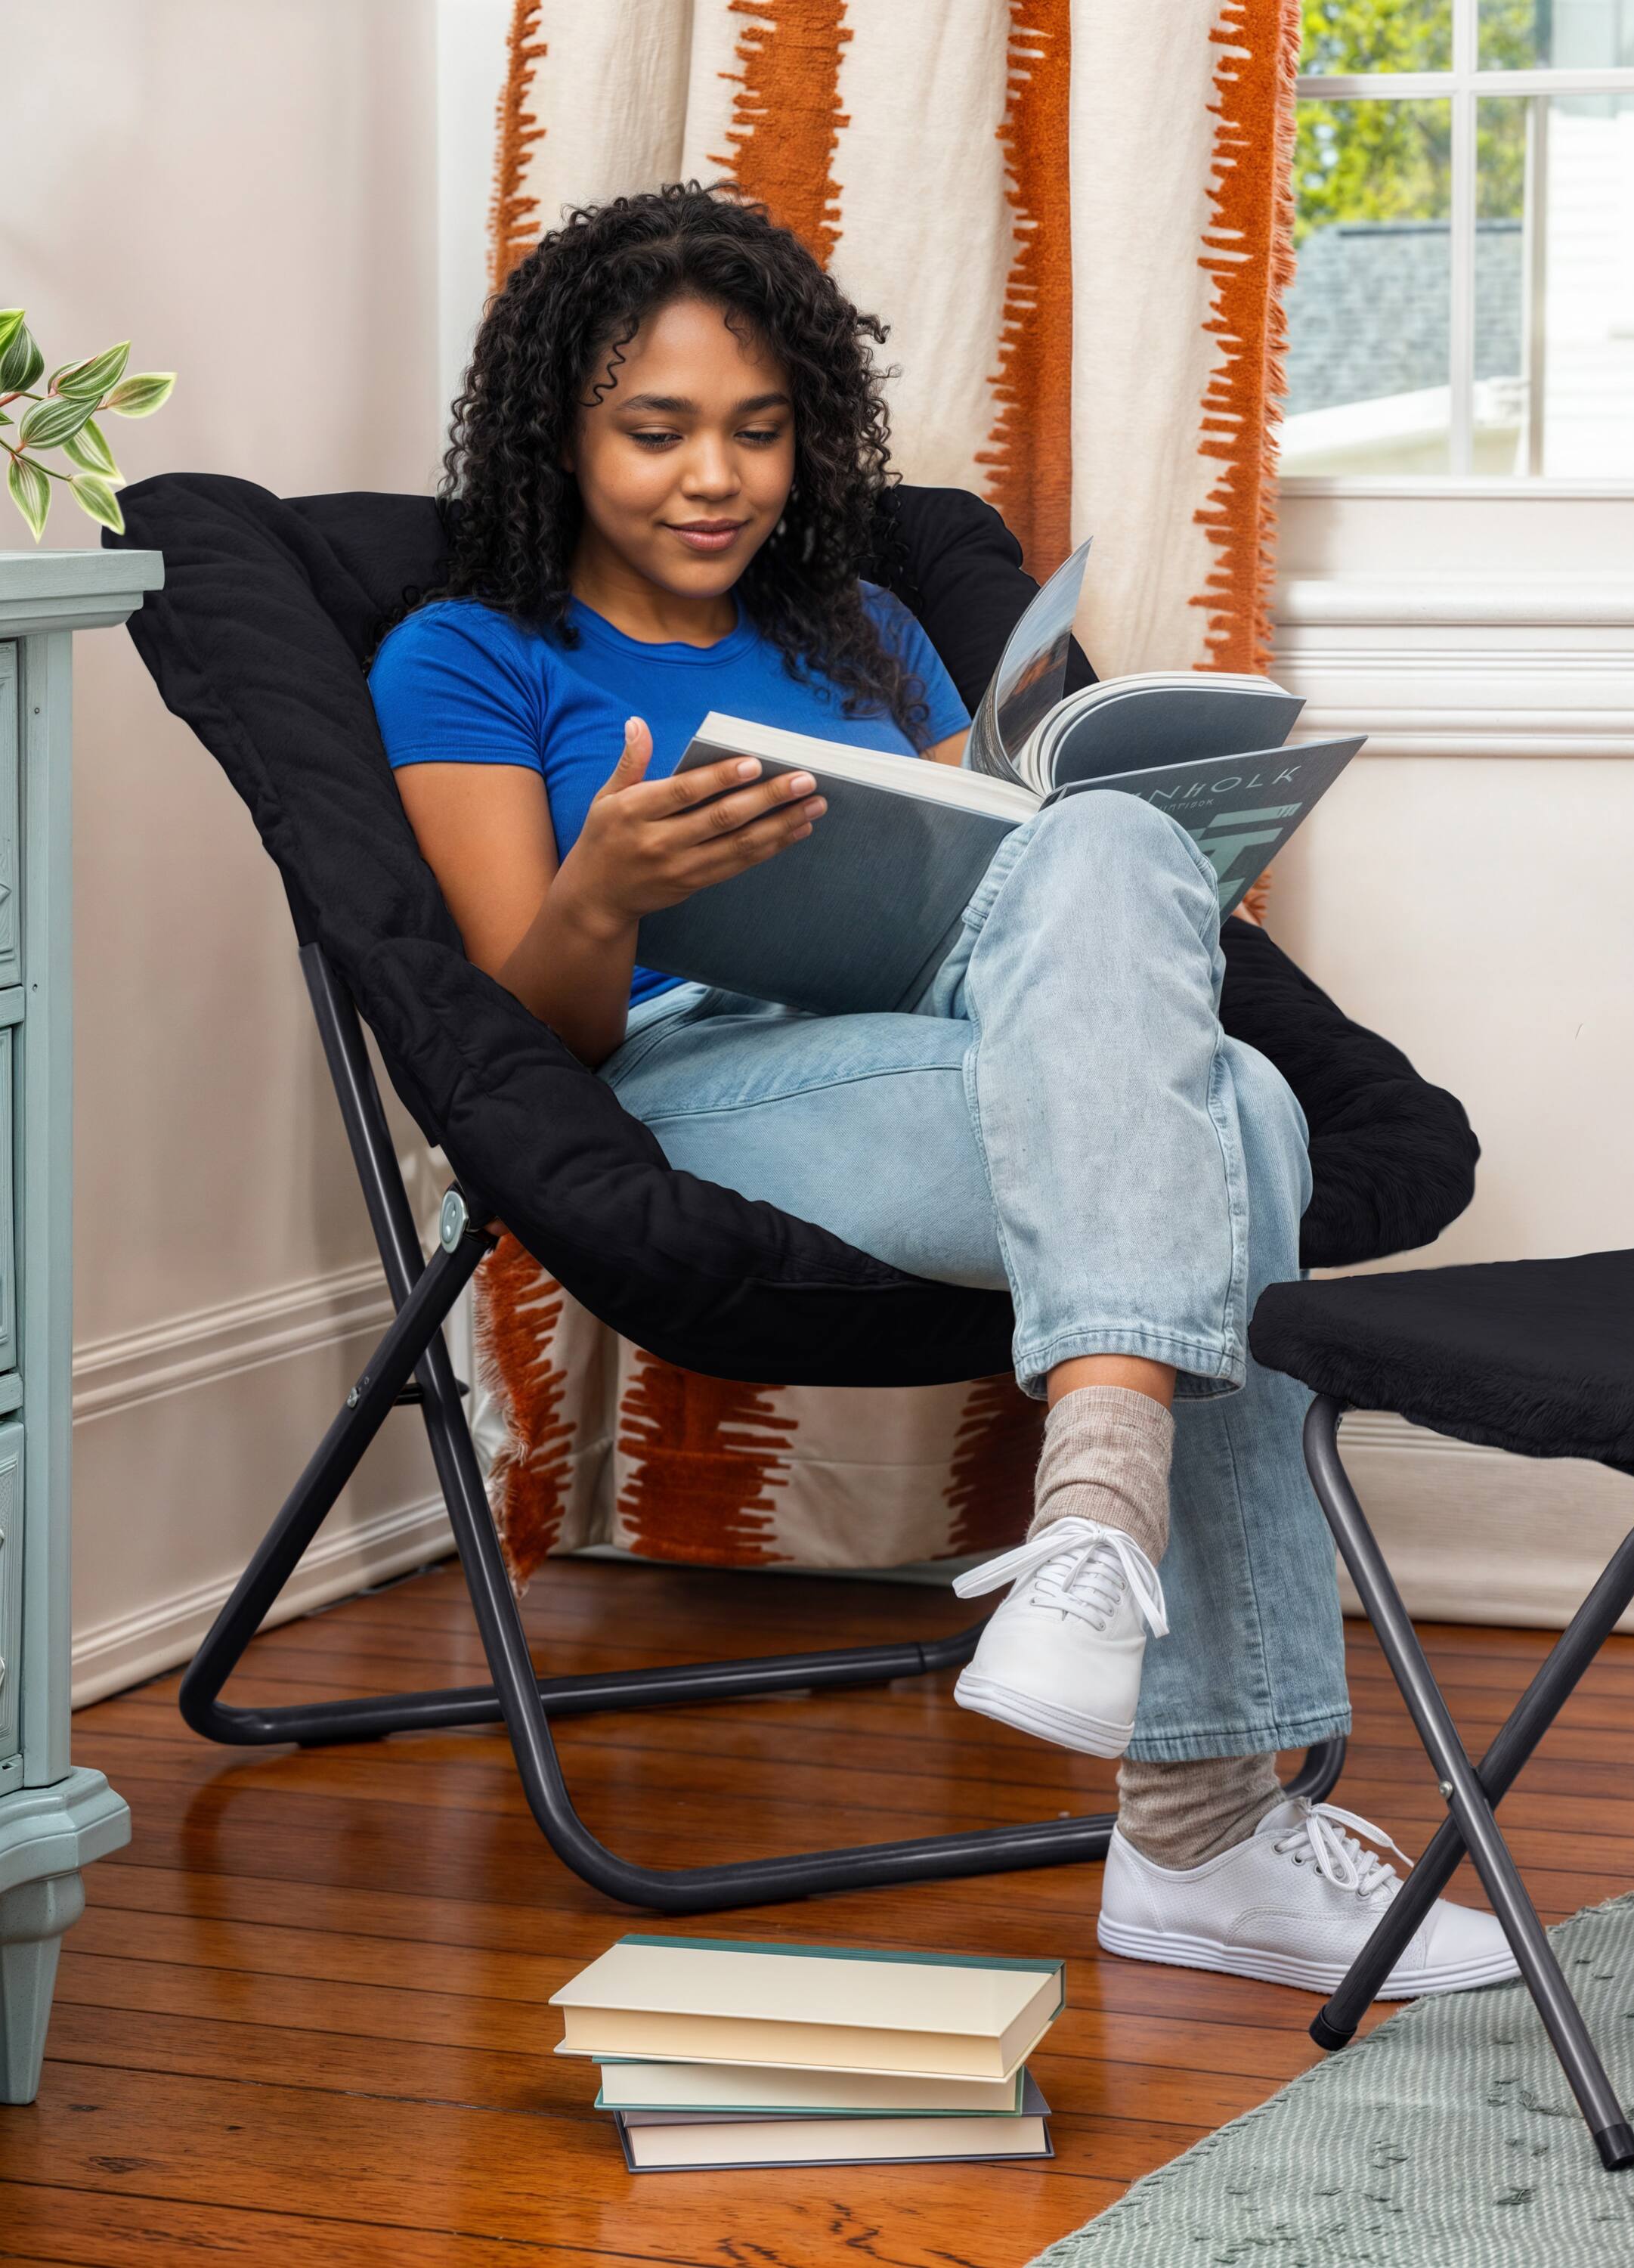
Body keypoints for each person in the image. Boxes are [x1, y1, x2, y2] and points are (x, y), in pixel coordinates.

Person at [366, 180, 1516, 1998]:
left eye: (759, 430)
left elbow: (988, 886)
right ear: (558, 436)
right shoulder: (466, 655)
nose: (715, 478)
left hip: (953, 1036)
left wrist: (1105, 865)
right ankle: (1202, 1824)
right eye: (657, 431)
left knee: (1112, 850)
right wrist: (607, 892)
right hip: (694, 1074)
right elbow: (524, 1041)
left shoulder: (866, 630)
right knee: (1243, 1121)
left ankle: (1094, 1538)